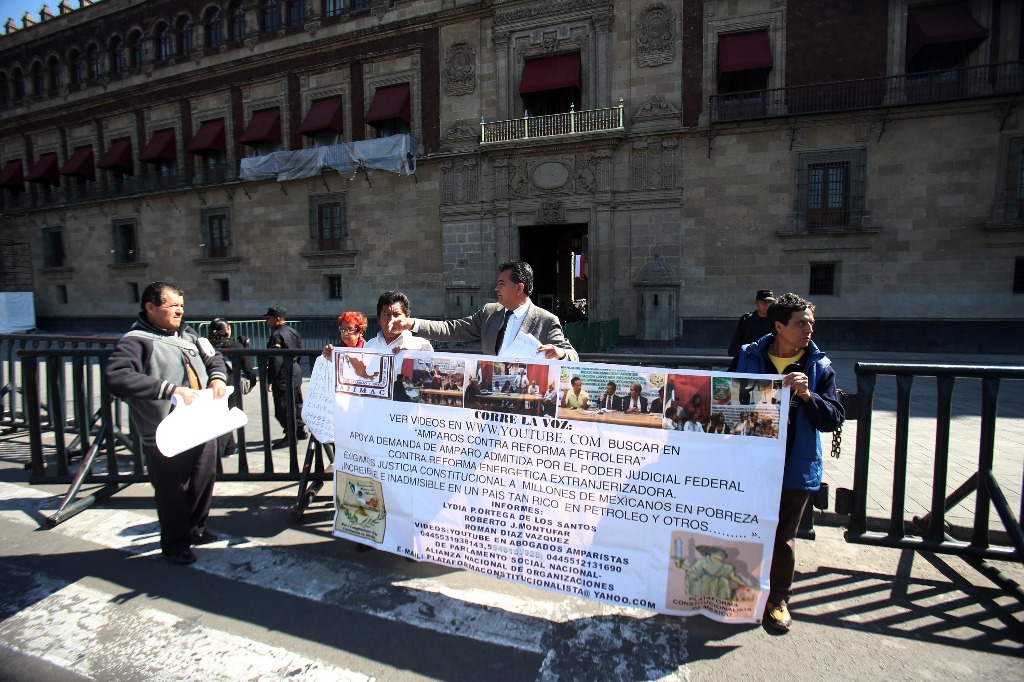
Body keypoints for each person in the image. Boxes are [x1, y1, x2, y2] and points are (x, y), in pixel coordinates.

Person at [730, 292, 844, 633]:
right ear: (779, 326)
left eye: (811, 322)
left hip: (794, 463)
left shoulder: (819, 366)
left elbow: (834, 417)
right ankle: (738, 591)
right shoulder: (748, 356)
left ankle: (778, 599)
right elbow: (725, 400)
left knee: (782, 536)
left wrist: (809, 396)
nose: (809, 328)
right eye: (801, 323)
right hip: (751, 464)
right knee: (744, 527)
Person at [105, 282, 228, 566]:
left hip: (202, 424)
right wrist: (168, 389)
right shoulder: (135, 341)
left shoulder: (189, 333)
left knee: (202, 480)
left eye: (182, 306)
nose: (179, 311)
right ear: (150, 307)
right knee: (173, 489)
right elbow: (117, 377)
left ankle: (196, 529)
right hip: (165, 431)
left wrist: (218, 377)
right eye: (172, 306)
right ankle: (175, 543)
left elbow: (215, 358)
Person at [388, 261, 578, 362]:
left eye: (501, 284)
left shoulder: (546, 320)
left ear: (519, 288)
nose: (496, 288)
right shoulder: (489, 313)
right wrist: (412, 324)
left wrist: (560, 353)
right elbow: (452, 329)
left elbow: (572, 356)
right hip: (490, 399)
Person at [209, 317, 256, 458]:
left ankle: (229, 447)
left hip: (211, 383)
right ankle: (218, 452)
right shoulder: (235, 346)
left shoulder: (206, 344)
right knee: (226, 416)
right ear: (228, 329)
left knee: (220, 414)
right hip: (230, 383)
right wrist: (252, 380)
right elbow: (247, 366)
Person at [264, 306, 307, 448]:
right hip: (295, 372)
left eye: (269, 319)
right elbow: (298, 351)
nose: (266, 321)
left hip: (283, 376)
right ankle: (300, 430)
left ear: (277, 319)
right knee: (296, 404)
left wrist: (271, 379)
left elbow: (276, 360)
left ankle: (290, 435)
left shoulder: (277, 335)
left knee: (283, 408)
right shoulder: (292, 331)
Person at [364, 291, 433, 354]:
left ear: (407, 318)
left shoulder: (421, 346)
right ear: (379, 319)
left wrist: (411, 357)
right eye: (386, 314)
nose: (391, 320)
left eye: (396, 314)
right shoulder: (369, 346)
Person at [727, 289, 775, 357]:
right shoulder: (746, 320)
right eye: (764, 302)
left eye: (770, 302)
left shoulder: (776, 320)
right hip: (750, 358)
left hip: (770, 359)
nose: (767, 305)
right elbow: (736, 343)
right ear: (756, 303)